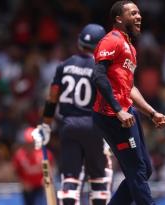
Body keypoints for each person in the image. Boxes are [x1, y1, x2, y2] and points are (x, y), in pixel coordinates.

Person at [92, 1, 165, 205]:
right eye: (133, 13)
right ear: (119, 19)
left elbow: (130, 88)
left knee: (145, 169)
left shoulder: (130, 48)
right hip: (112, 115)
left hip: (127, 112)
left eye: (139, 13)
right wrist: (118, 111)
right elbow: (99, 76)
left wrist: (152, 113)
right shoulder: (111, 40)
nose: (138, 16)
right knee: (137, 170)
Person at [33, 24, 112, 205]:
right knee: (99, 180)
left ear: (79, 43)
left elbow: (52, 98)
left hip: (68, 127)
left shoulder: (64, 66)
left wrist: (45, 126)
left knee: (70, 180)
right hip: (94, 128)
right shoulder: (101, 69)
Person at [12, 127, 53, 205]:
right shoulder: (19, 156)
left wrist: (46, 180)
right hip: (28, 189)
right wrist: (23, 183)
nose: (29, 146)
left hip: (41, 188)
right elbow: (17, 172)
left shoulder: (43, 154)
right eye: (27, 143)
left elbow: (47, 169)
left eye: (31, 143)